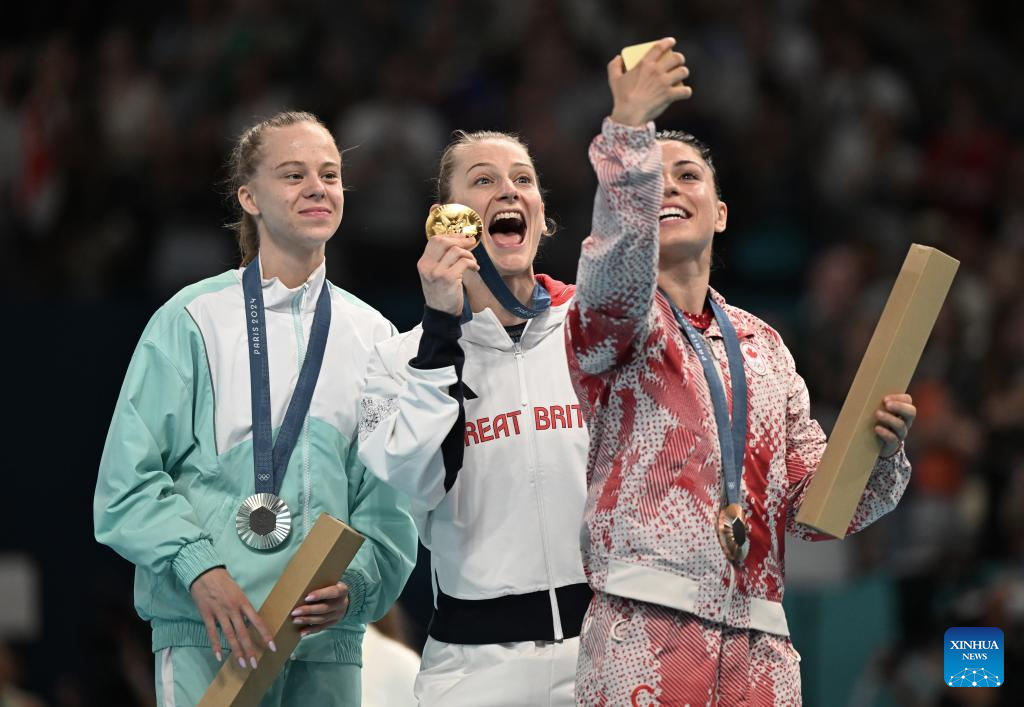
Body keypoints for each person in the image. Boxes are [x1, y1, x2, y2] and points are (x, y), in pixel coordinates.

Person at [566, 39, 917, 705]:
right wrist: (628, 135)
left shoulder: (765, 346)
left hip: (763, 642)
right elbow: (614, 267)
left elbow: (815, 509)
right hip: (646, 626)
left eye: (688, 176)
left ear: (720, 214)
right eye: (655, 178)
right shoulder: (618, 319)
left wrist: (879, 451)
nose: (670, 187)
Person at [94, 111, 417, 706]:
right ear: (249, 197)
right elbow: (127, 482)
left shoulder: (375, 337)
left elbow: (389, 496)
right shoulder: (190, 321)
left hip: (325, 646)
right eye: (293, 175)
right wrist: (198, 568)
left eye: (329, 175)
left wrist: (357, 584)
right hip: (208, 633)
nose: (317, 188)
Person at [358, 130, 590, 705]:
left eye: (523, 179)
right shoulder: (395, 362)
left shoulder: (594, 335)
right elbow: (416, 478)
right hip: (475, 670)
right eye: (483, 180)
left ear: (541, 217)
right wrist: (440, 331)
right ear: (445, 222)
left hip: (604, 652)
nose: (508, 190)